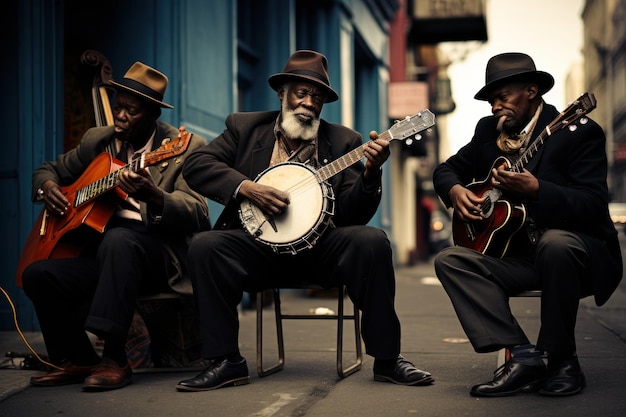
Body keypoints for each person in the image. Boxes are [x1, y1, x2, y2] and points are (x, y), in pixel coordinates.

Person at [176, 50, 433, 391]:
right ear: (282, 93)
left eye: (318, 97)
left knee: (371, 241)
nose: (309, 103)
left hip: (319, 253)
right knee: (206, 246)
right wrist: (247, 188)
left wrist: (371, 175)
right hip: (258, 251)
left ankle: (387, 360)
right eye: (301, 92)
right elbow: (196, 165)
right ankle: (226, 361)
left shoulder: (344, 142)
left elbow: (352, 214)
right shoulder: (245, 128)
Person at [433, 52, 623, 397]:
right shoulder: (488, 132)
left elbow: (593, 205)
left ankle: (564, 360)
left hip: (575, 256)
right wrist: (456, 189)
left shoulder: (577, 132)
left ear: (532, 91)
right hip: (519, 258)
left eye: (502, 97)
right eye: (491, 101)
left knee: (555, 243)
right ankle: (524, 357)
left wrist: (538, 190)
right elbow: (446, 169)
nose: (494, 107)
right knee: (450, 260)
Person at [21, 62, 209, 391]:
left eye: (131, 111)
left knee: (121, 239)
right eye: (118, 106)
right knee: (38, 274)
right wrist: (47, 187)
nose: (120, 116)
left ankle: (114, 357)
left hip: (159, 257)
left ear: (152, 115)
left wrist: (155, 195)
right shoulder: (99, 140)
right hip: (107, 257)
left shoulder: (184, 147)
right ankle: (78, 357)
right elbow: (49, 169)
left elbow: (198, 211)